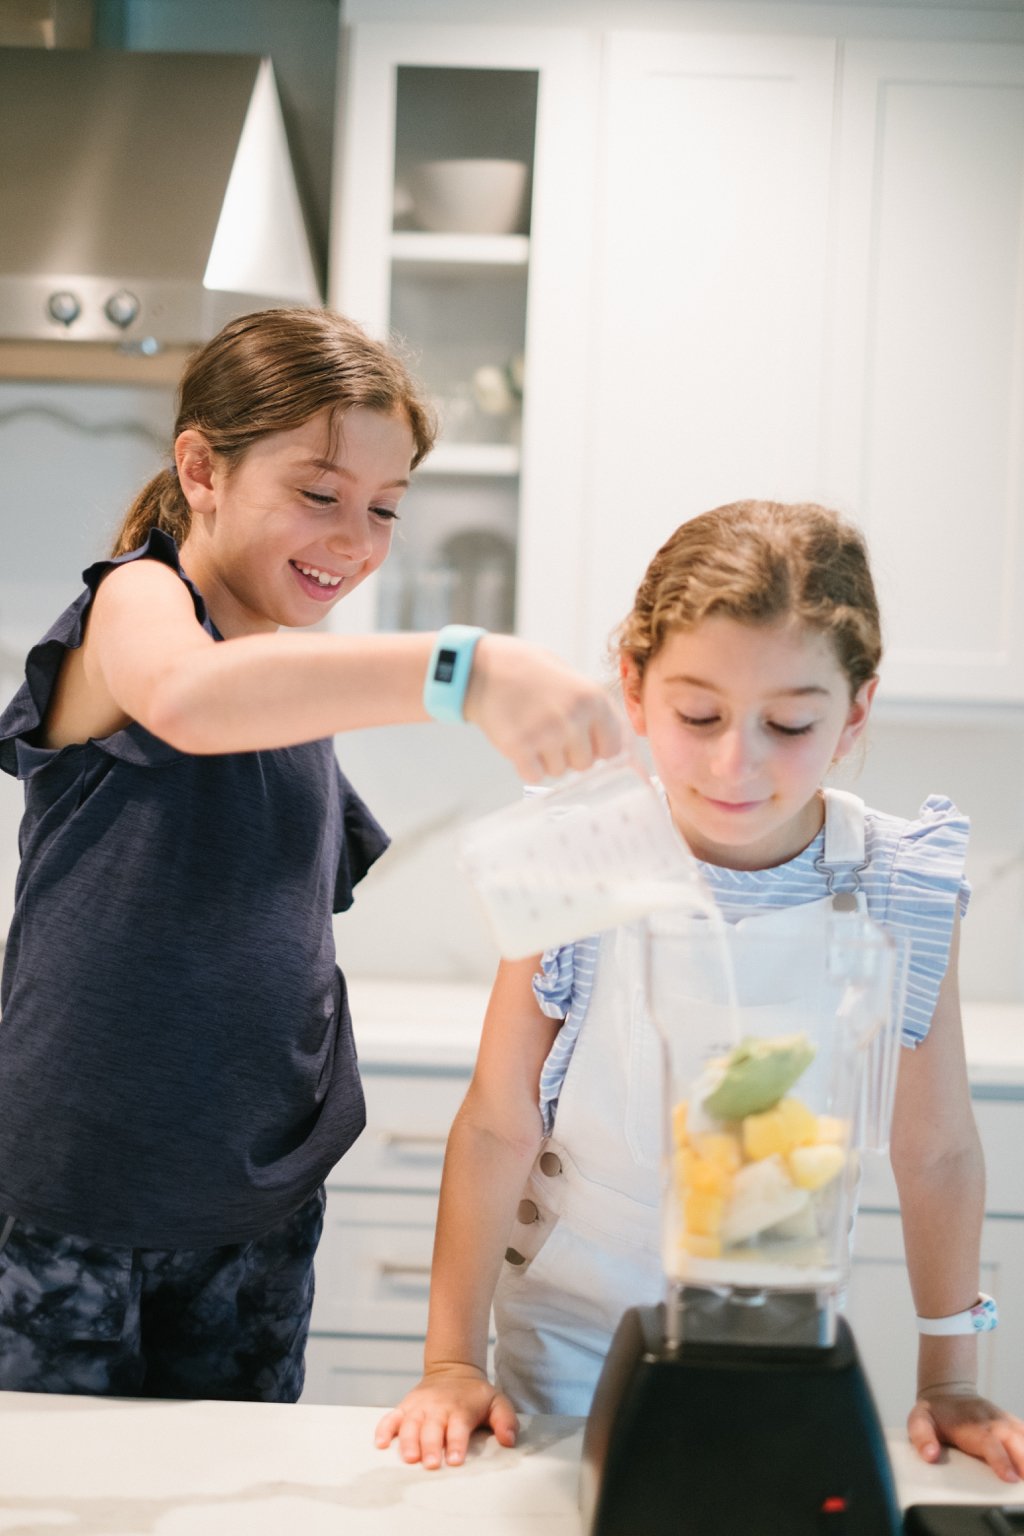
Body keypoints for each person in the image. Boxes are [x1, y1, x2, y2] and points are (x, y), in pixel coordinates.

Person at [0, 305, 623, 1402]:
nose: (355, 539)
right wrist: (461, 668)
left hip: (260, 1201)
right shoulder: (140, 603)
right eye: (319, 494)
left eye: (384, 507)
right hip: (81, 1191)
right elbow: (188, 701)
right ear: (201, 469)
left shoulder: (287, 673)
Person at [376, 499, 1024, 1481]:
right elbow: (500, 1122)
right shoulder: (577, 857)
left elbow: (934, 1150)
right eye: (699, 715)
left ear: (855, 712)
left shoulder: (898, 879)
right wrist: (452, 1361)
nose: (737, 761)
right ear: (633, 689)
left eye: (790, 722)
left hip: (781, 1336)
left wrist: (947, 1377)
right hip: (567, 1347)